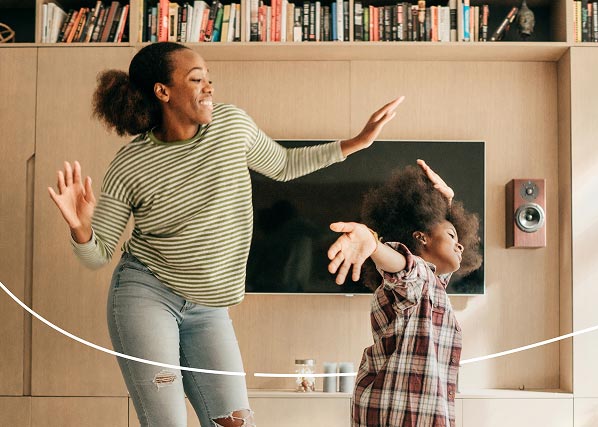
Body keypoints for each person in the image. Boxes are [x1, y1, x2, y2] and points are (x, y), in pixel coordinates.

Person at [47, 41, 403, 427]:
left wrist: (356, 142)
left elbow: (283, 164)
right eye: (196, 79)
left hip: (209, 309)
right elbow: (97, 255)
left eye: (209, 79)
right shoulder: (130, 164)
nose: (209, 88)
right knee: (167, 421)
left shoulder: (232, 127)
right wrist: (81, 228)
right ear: (162, 91)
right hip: (146, 297)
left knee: (236, 421)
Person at [326, 159, 482, 427]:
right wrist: (372, 244)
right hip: (399, 416)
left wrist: (447, 201)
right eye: (451, 234)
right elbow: (402, 265)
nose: (460, 246)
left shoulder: (434, 286)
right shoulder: (416, 279)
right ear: (421, 237)